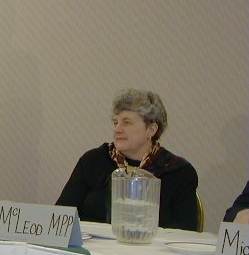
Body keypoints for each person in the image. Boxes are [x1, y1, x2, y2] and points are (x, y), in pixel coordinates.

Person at [56, 88, 199, 230]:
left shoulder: (178, 172)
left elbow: (185, 234)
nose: (117, 129)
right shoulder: (93, 161)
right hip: (95, 250)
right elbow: (59, 218)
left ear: (151, 130)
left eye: (127, 122)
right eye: (115, 122)